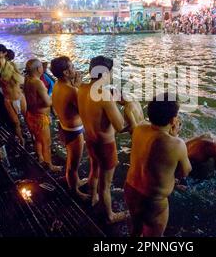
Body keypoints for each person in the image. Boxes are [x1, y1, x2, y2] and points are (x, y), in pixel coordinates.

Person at [125, 93, 192, 237]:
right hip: (153, 201)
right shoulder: (177, 144)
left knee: (135, 230)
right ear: (173, 119)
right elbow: (185, 171)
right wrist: (175, 136)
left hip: (130, 190)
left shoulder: (139, 128)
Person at [77, 55, 127, 223]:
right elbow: (120, 126)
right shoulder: (104, 94)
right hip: (106, 145)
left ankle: (93, 197)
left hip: (90, 139)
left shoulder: (82, 88)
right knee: (106, 185)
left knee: (94, 170)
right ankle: (110, 215)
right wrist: (124, 104)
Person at [50, 56, 88, 200]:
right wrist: (78, 88)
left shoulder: (57, 85)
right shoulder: (72, 91)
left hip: (64, 127)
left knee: (71, 160)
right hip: (74, 131)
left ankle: (76, 181)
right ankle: (74, 192)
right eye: (71, 67)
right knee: (73, 164)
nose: (74, 69)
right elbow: (83, 111)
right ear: (65, 73)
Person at [23, 59, 61, 172]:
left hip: (31, 114)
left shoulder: (27, 79)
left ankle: (40, 158)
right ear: (39, 69)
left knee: (38, 140)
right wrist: (57, 97)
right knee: (46, 143)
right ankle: (49, 166)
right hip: (40, 117)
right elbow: (47, 102)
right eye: (42, 67)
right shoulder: (38, 82)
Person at [0, 49, 26, 145]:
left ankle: (32, 135)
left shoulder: (14, 68)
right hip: (9, 100)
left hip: (19, 97)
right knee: (16, 122)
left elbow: (22, 81)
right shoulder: (0, 74)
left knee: (26, 118)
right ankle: (21, 139)